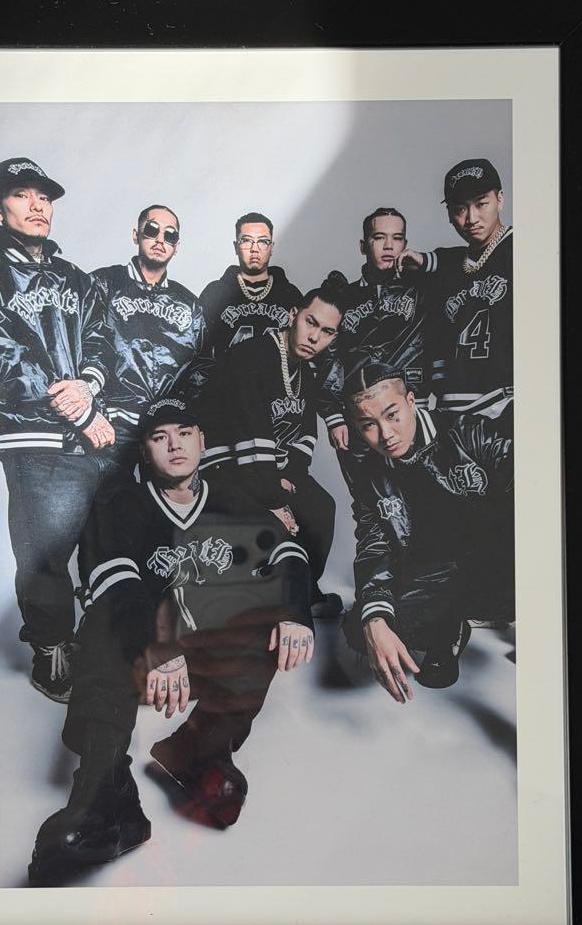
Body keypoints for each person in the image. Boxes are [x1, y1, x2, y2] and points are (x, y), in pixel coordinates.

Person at [29, 399, 314, 883]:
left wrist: (293, 610)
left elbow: (287, 552)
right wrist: (159, 648)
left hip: (204, 662)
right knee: (101, 624)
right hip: (140, 664)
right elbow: (115, 589)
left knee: (266, 614)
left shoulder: (230, 497)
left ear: (202, 440)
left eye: (184, 432)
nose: (175, 445)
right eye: (160, 437)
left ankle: (202, 750)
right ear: (145, 451)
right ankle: (104, 796)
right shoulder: (120, 502)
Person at [0, 156, 117, 703]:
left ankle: (100, 637)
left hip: (90, 433)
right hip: (33, 435)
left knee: (102, 538)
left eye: (44, 196)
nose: (38, 205)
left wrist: (88, 386)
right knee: (43, 553)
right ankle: (51, 651)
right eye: (22, 194)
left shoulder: (75, 278)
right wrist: (77, 409)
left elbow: (103, 341)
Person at [341, 364, 514, 702]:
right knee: (361, 627)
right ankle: (446, 633)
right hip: (437, 576)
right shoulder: (368, 476)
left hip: (501, 563)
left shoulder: (468, 433)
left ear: (411, 401)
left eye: (392, 415)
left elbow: (531, 491)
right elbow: (375, 547)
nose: (386, 434)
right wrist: (375, 619)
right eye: (369, 425)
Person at [197, 272, 347, 617]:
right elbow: (248, 431)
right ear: (293, 315)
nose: (314, 337)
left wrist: (291, 476)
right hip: (225, 468)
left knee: (321, 507)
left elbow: (306, 431)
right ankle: (269, 599)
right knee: (274, 518)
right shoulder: (251, 356)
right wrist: (276, 499)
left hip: (268, 469)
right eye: (311, 322)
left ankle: (304, 589)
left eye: (327, 332)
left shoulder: (306, 368)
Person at [89, 205, 212, 482]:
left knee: (162, 504)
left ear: (177, 247)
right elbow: (84, 345)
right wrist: (95, 409)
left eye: (170, 235)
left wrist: (181, 413)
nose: (160, 240)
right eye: (152, 230)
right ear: (136, 234)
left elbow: (203, 365)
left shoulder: (188, 302)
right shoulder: (103, 283)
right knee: (112, 501)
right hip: (113, 423)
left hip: (163, 427)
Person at [317, 207, 447, 452]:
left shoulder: (424, 291)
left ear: (405, 245)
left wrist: (441, 403)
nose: (388, 246)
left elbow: (440, 344)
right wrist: (333, 415)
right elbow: (330, 358)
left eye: (397, 238)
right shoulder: (345, 297)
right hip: (360, 417)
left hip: (409, 412)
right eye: (379, 237)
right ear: (363, 246)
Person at [399, 159, 514, 418]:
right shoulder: (448, 269)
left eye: (481, 204)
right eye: (460, 209)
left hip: (501, 406)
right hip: (450, 411)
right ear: (449, 215)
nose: (471, 218)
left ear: (500, 199)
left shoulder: (520, 251)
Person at [198, 211, 304, 358]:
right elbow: (199, 352)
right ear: (236, 247)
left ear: (271, 248)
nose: (254, 248)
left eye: (263, 241)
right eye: (246, 240)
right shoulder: (215, 292)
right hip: (227, 372)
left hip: (278, 373)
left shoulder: (290, 294)